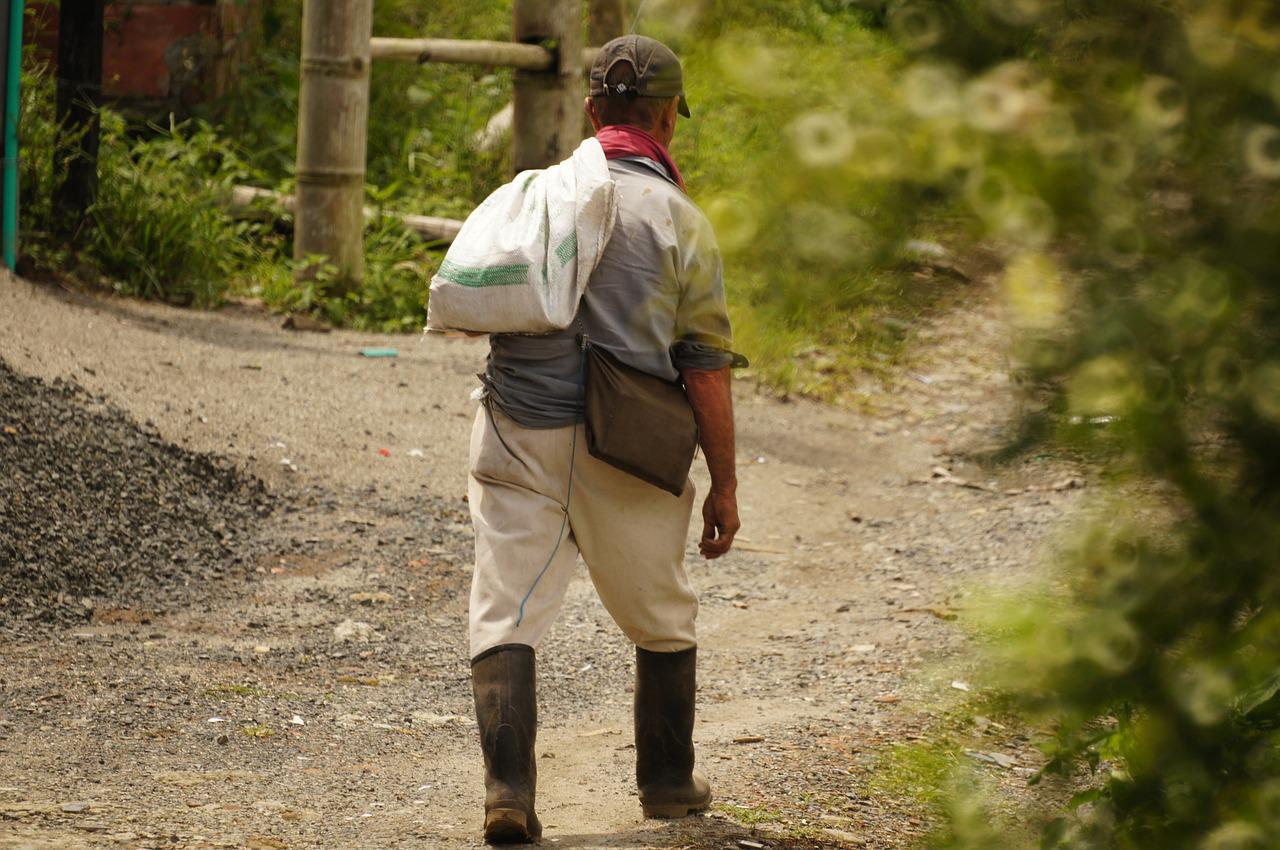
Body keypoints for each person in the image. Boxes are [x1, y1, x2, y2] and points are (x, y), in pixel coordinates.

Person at [466, 34, 744, 844]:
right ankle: (665, 782)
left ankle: (508, 792)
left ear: (592, 111)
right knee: (661, 611)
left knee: (506, 607)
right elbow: (705, 370)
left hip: (518, 426)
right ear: (667, 119)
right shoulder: (683, 223)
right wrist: (724, 485)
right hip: (629, 443)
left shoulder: (535, 196)